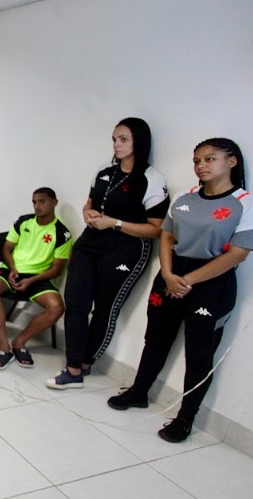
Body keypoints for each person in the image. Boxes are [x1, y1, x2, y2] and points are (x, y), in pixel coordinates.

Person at [107, 138, 250, 442]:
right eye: (197, 160)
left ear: (232, 162)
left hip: (211, 283)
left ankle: (185, 418)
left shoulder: (244, 202)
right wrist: (170, 275)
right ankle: (139, 391)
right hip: (171, 275)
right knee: (156, 337)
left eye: (210, 159)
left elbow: (237, 254)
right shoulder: (185, 197)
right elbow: (167, 238)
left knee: (199, 353)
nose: (201, 166)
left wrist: (189, 280)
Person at [47, 117, 169, 389]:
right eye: (114, 139)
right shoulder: (105, 170)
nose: (116, 144)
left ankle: (84, 364)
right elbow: (90, 201)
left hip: (125, 249)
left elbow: (156, 229)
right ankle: (73, 365)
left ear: (139, 141)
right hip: (91, 242)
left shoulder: (151, 179)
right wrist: (87, 213)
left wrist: (114, 223)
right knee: (76, 303)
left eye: (123, 139)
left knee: (104, 308)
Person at [0, 188, 71, 369]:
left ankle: (20, 342)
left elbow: (57, 269)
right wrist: (12, 268)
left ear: (54, 202)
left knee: (57, 307)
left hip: (38, 277)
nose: (37, 206)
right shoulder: (23, 221)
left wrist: (32, 280)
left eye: (42, 202)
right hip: (13, 271)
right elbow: (7, 248)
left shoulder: (62, 233)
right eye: (34, 202)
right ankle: (3, 346)